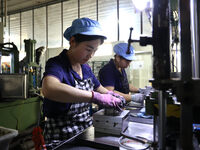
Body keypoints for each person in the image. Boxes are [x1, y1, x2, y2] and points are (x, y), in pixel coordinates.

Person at [41, 18, 124, 146]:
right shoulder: (57, 64)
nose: (91, 55)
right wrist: (94, 97)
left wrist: (112, 95)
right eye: (88, 49)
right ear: (73, 41)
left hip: (86, 134)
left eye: (95, 51)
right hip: (61, 138)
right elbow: (49, 88)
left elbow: (99, 88)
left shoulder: (85, 68)